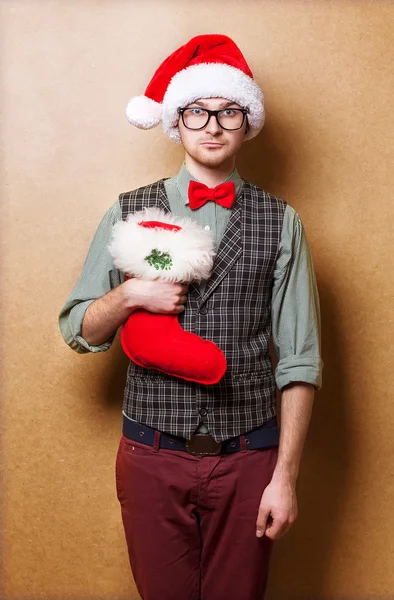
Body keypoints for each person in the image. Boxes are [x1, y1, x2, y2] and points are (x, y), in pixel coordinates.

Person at [59, 34, 323, 600]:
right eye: (197, 110)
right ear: (176, 122)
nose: (212, 123)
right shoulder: (128, 212)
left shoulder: (283, 222)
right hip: (151, 456)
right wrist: (129, 298)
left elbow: (299, 362)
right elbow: (77, 328)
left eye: (228, 110)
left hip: (250, 460)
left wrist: (285, 478)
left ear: (245, 121)